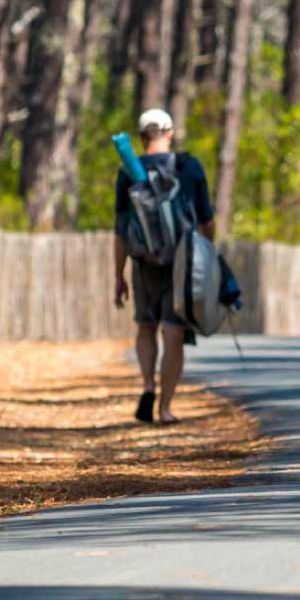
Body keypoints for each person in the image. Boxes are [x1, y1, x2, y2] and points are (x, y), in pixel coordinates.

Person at [113, 107, 214, 425]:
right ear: (170, 133)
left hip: (144, 262)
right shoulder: (189, 166)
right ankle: (166, 408)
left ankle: (147, 385)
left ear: (142, 138)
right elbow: (208, 221)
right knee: (173, 332)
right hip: (182, 261)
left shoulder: (128, 170)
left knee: (145, 326)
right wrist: (207, 258)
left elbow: (120, 230)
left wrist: (119, 275)